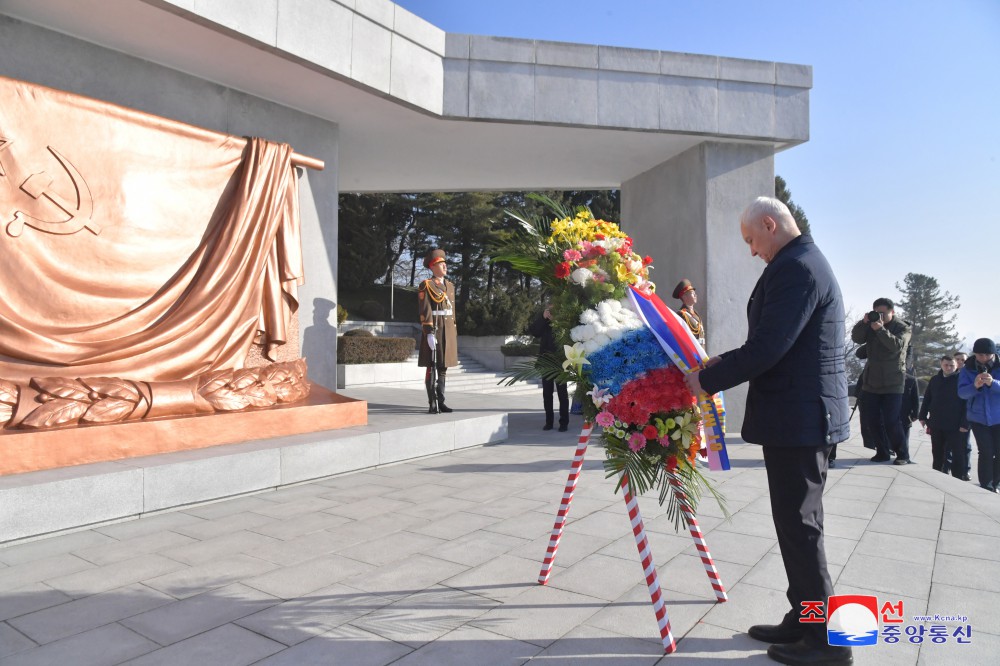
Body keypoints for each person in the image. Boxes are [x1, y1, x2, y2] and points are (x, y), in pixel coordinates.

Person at [685, 197, 851, 666]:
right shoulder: (799, 262)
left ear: (769, 224)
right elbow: (775, 341)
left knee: (801, 528)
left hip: (801, 420)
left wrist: (707, 379)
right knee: (796, 523)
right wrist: (722, 362)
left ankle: (824, 642)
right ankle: (804, 616)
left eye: (751, 240)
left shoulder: (798, 268)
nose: (752, 251)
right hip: (796, 418)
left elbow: (770, 346)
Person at [851, 298, 912, 464]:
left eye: (883, 313)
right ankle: (882, 451)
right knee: (872, 419)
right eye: (877, 313)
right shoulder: (871, 324)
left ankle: (902, 454)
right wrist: (863, 323)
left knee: (891, 420)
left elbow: (896, 347)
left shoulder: (903, 328)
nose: (880, 316)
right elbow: (857, 338)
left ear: (892, 311)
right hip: (872, 381)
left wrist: (880, 330)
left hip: (893, 381)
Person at [418, 248, 458, 414]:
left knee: (443, 368)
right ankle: (432, 402)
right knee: (431, 367)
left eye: (445, 264)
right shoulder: (426, 285)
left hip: (447, 330)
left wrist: (454, 332)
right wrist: (428, 332)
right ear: (433, 267)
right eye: (441, 264)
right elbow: (425, 310)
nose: (445, 267)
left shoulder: (449, 285)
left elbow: (452, 311)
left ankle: (441, 401)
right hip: (435, 329)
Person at [957, 338, 1000, 492]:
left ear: (993, 354)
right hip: (978, 418)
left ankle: (995, 484)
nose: (983, 358)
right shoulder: (967, 368)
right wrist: (974, 386)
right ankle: (986, 486)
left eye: (987, 355)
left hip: (998, 417)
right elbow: (962, 393)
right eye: (979, 355)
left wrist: (992, 383)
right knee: (986, 451)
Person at [919, 355, 970, 475]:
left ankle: (958, 478)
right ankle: (937, 476)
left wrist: (964, 423)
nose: (948, 368)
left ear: (956, 365)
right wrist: (922, 416)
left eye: (951, 365)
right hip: (936, 422)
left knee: (958, 454)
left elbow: (967, 404)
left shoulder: (962, 380)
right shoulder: (935, 380)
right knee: (937, 453)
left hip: (955, 425)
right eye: (946, 365)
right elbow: (927, 399)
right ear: (941, 365)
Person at [528, 304, 569, 432]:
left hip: (561, 363)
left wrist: (556, 321)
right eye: (549, 310)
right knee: (547, 394)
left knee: (563, 394)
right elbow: (535, 332)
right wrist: (543, 318)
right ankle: (549, 422)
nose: (551, 313)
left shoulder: (563, 322)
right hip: (546, 363)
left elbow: (568, 336)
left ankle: (564, 423)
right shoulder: (543, 322)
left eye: (553, 310)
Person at [954, 350, 973, 480]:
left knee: (965, 445)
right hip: (950, 417)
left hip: (965, 416)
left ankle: (965, 470)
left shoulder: (969, 375)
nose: (960, 362)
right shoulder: (949, 375)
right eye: (958, 359)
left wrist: (965, 421)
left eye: (963, 360)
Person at [672, 279, 706, 348]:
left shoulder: (696, 313)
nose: (695, 295)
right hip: (692, 352)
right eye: (692, 293)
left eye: (695, 293)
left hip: (702, 350)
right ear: (685, 297)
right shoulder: (681, 314)